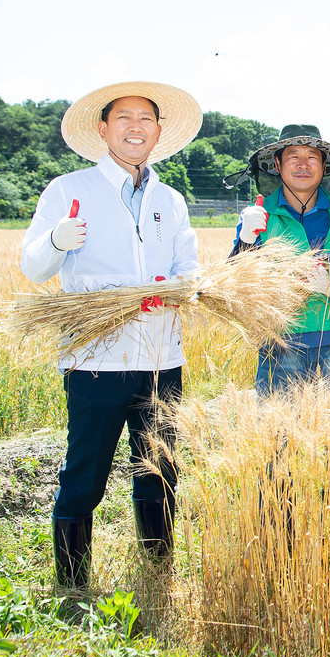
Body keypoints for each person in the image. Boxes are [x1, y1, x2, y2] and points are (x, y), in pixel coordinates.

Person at [21, 81, 203, 599]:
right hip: (95, 359)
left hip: (162, 359)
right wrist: (58, 239)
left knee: (159, 470)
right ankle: (74, 585)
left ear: (159, 132)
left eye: (145, 119)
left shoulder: (170, 199)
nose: (134, 127)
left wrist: (180, 286)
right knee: (85, 472)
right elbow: (33, 267)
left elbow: (188, 267)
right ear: (102, 130)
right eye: (123, 118)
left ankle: (157, 572)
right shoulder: (67, 190)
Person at [229, 125, 330, 393]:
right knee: (281, 431)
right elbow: (235, 284)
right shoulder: (257, 215)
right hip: (282, 342)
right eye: (294, 156)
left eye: (312, 157)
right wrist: (246, 239)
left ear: (324, 165)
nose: (303, 164)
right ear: (278, 165)